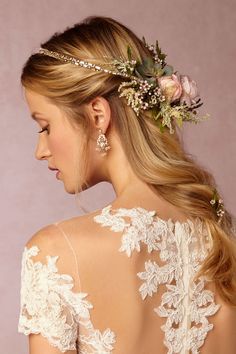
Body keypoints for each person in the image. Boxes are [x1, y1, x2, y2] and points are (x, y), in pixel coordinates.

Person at [17, 16, 236, 354]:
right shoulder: (217, 231)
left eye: (45, 127)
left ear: (98, 116)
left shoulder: (54, 254)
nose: (40, 150)